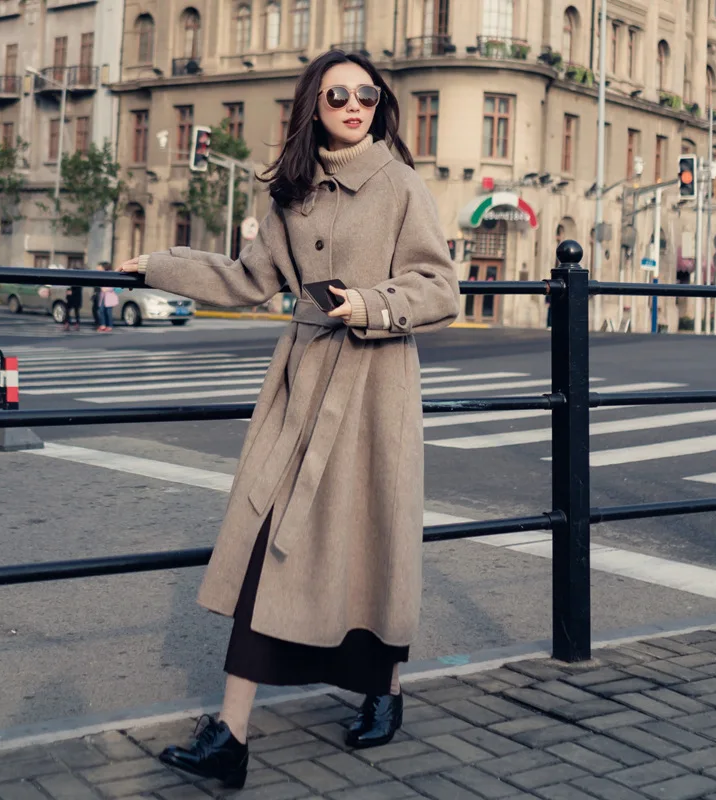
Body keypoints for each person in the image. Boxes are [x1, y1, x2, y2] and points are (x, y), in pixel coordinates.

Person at [118, 50, 460, 789]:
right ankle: (231, 734)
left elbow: (440, 287)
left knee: (370, 540)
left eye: (366, 93)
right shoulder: (291, 193)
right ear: (313, 104)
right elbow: (246, 281)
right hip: (302, 387)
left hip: (374, 389)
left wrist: (371, 305)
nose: (353, 103)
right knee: (269, 539)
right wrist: (157, 265)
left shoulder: (400, 183)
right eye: (337, 93)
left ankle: (384, 691)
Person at [97, 266, 119, 332]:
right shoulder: (101, 275)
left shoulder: (111, 274)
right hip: (103, 296)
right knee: (101, 310)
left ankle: (109, 326)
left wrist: (107, 289)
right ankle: (103, 325)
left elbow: (114, 285)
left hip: (109, 296)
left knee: (108, 312)